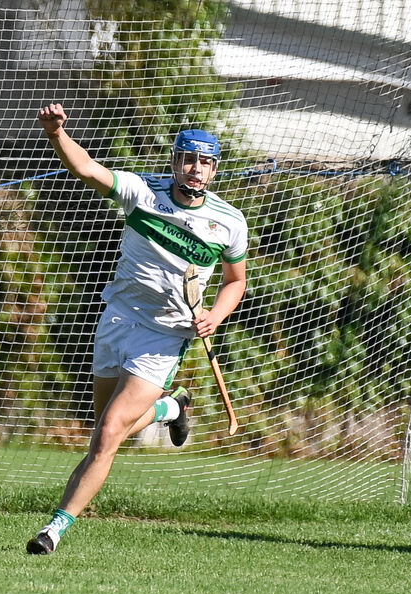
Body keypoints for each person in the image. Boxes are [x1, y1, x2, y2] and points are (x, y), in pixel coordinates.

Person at [26, 103, 248, 555]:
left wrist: (216, 315)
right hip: (118, 318)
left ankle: (54, 530)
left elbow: (236, 281)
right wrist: (56, 135)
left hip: (164, 337)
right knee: (104, 430)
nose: (196, 169)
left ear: (215, 169)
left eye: (205, 162)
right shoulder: (143, 191)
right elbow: (87, 169)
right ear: (174, 161)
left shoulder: (229, 222)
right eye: (189, 159)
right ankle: (171, 408)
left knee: (108, 435)